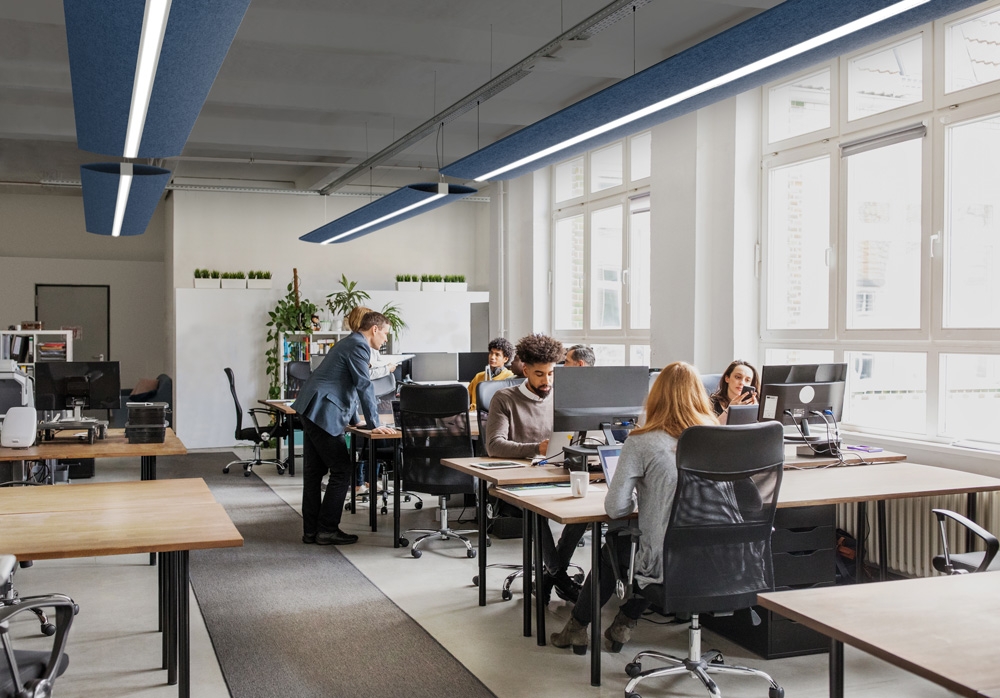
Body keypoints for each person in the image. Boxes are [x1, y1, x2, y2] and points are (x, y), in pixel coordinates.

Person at [550, 361, 719, 654]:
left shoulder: (642, 441)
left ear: (655, 396)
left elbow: (616, 508)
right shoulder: (720, 438)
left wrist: (643, 500)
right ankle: (623, 624)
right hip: (720, 558)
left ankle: (577, 628)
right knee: (650, 546)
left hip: (665, 561)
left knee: (616, 548)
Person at [485, 333, 588, 603]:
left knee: (587, 508)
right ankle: (560, 577)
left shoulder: (562, 397)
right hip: (515, 482)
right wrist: (536, 448)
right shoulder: (504, 398)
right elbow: (494, 445)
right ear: (526, 371)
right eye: (540, 374)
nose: (547, 381)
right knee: (536, 512)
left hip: (556, 474)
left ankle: (549, 577)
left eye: (551, 374)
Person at [292, 311, 396, 545]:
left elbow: (344, 385)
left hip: (311, 408)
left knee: (313, 473)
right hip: (322, 411)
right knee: (342, 470)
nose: (385, 339)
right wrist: (375, 424)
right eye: (385, 334)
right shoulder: (359, 346)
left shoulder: (349, 343)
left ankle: (311, 531)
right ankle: (327, 530)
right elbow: (363, 385)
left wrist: (355, 420)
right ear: (375, 330)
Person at [467, 337, 515, 409]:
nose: (492, 357)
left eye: (497, 355)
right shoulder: (479, 376)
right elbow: (465, 399)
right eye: (491, 353)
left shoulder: (510, 377)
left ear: (505, 359)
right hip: (474, 413)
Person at [709, 359, 760, 424]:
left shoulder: (756, 404)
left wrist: (754, 412)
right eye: (738, 377)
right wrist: (729, 410)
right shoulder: (711, 403)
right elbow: (710, 429)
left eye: (747, 380)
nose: (742, 383)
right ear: (727, 378)